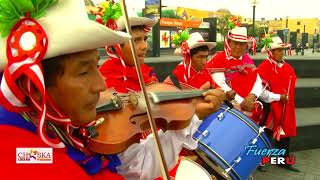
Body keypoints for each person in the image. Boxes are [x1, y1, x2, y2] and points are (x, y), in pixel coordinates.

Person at [0, 0, 225, 179]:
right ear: (34, 86)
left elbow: (138, 165)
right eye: (83, 71)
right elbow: (39, 159)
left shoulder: (67, 123)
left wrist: (189, 116)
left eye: (95, 66)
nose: (101, 86)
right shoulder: (24, 157)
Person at [258, 36, 300, 172]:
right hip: (270, 107)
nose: (281, 52)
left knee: (285, 134)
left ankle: (282, 161)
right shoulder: (264, 67)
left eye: (282, 50)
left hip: (286, 106)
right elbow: (262, 92)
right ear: (271, 52)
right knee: (267, 133)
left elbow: (292, 82)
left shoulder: (287, 67)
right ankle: (260, 161)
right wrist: (278, 97)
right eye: (278, 50)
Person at [205, 25, 264, 117]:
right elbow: (220, 84)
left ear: (246, 46)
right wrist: (242, 102)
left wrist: (252, 96)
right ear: (229, 43)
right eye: (235, 43)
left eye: (241, 44)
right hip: (229, 108)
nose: (238, 47)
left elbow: (258, 80)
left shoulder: (247, 59)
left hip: (249, 105)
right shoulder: (219, 59)